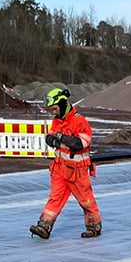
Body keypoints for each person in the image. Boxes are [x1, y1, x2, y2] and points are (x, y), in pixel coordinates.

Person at [29, 87, 102, 239]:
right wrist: (54, 139)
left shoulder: (79, 121)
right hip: (60, 169)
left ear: (62, 104)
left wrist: (60, 138)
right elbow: (50, 137)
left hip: (77, 171)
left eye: (54, 108)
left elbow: (81, 143)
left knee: (86, 201)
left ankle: (94, 226)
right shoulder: (57, 121)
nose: (53, 112)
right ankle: (44, 226)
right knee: (55, 198)